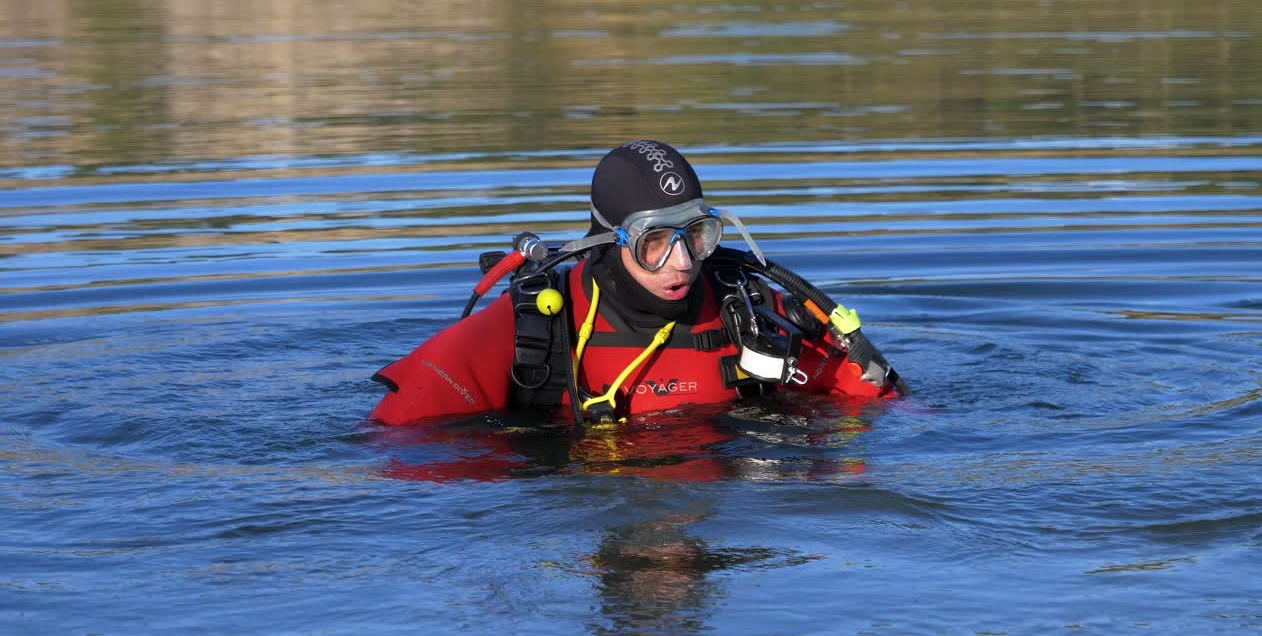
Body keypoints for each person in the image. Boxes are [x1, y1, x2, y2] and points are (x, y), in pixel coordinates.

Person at [370, 139, 904, 427]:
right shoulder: (539, 326)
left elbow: (887, 408)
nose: (682, 261)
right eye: (656, 241)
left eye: (697, 234)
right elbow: (393, 446)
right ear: (610, 238)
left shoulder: (748, 311)